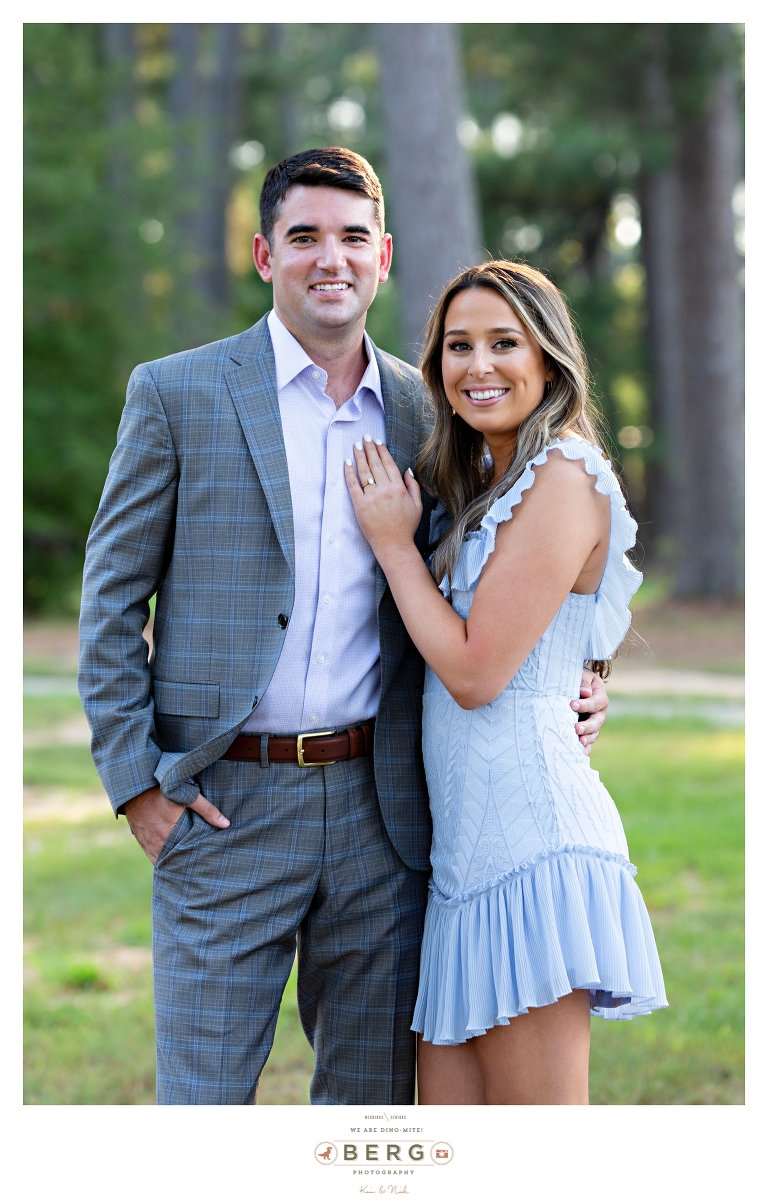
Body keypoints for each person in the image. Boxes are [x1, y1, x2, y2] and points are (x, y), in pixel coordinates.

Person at [78, 149, 609, 1107]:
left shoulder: (429, 408)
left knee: (366, 1123)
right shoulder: (177, 393)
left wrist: (585, 670)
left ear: (385, 256)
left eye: (353, 237)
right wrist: (137, 789)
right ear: (263, 253)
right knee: (200, 1111)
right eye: (305, 237)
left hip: (383, 812)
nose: (332, 258)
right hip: (223, 805)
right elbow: (111, 602)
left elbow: (516, 567)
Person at [345, 260, 667, 1105]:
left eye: (503, 343)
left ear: (550, 360)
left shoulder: (562, 474)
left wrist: (390, 542)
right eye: (458, 346)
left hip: (532, 848)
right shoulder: (487, 481)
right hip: (464, 861)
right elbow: (561, 641)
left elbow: (477, 671)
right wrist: (590, 682)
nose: (478, 366)